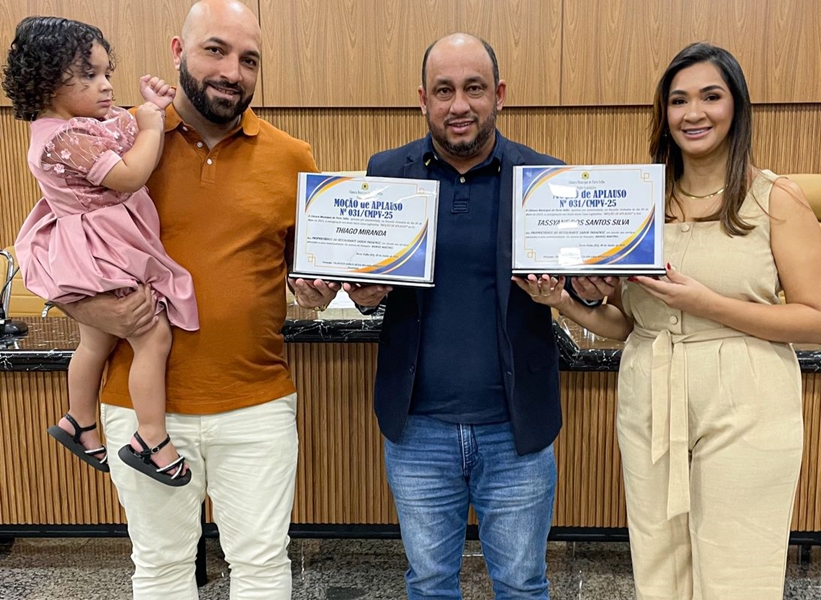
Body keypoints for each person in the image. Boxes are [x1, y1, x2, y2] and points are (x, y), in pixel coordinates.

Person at [523, 42, 821, 599]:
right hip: (650, 387)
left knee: (737, 563)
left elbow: (819, 322)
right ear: (663, 113)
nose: (694, 113)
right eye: (679, 100)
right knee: (658, 557)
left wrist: (705, 302)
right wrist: (569, 303)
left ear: (736, 106)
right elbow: (633, 325)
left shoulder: (776, 198)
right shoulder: (640, 202)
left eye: (710, 97)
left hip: (747, 394)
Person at [54, 1, 319, 597]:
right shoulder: (114, 140)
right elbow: (54, 251)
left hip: (256, 405)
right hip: (140, 410)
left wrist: (318, 289)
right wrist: (92, 310)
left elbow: (307, 276)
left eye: (249, 59)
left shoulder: (293, 159)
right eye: (215, 50)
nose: (232, 71)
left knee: (262, 566)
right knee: (162, 567)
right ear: (178, 51)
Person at [296, 33, 571, 599]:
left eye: (474, 88)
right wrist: (362, 296)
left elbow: (578, 291)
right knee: (428, 584)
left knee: (523, 584)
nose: (459, 105)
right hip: (419, 429)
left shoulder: (544, 179)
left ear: (499, 94)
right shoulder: (386, 172)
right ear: (423, 99)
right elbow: (371, 288)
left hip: (516, 430)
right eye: (444, 91)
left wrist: (573, 293)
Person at [3, 16, 196, 486]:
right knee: (152, 336)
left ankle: (79, 419)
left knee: (95, 340)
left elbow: (119, 130)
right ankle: (151, 439)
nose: (106, 85)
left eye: (107, 73)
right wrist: (151, 125)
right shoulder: (64, 138)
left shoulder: (76, 126)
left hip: (94, 243)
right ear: (48, 82)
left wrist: (147, 109)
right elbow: (130, 174)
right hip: (101, 248)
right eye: (89, 75)